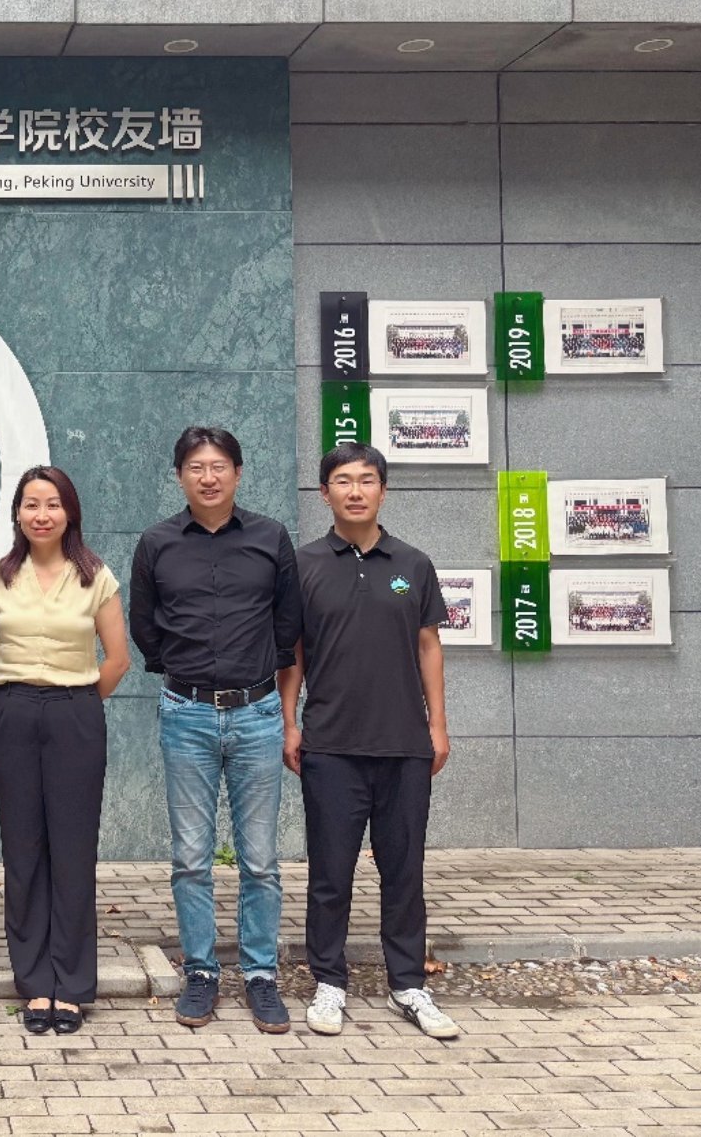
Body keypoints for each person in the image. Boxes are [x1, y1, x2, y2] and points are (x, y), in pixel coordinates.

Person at [280, 443, 459, 1040]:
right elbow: (294, 655)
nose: (355, 491)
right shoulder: (303, 565)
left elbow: (429, 645)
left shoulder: (414, 563)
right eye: (342, 481)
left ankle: (409, 984)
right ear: (324, 492)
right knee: (330, 872)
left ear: (384, 490)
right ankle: (329, 983)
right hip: (330, 744)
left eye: (366, 481)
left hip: (404, 743)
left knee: (404, 870)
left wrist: (437, 724)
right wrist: (290, 720)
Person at [129, 426, 301, 1034]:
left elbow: (288, 629)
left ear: (237, 472)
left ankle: (260, 975)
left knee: (259, 860)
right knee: (191, 858)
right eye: (197, 466)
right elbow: (143, 627)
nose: (208, 476)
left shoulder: (269, 538)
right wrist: (184, 671)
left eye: (219, 465)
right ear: (180, 476)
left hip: (256, 714)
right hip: (187, 713)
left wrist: (282, 713)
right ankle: (201, 972)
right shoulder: (156, 544)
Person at [0, 467, 128, 1036]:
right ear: (17, 513)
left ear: (70, 513)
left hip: (76, 715)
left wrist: (76, 698)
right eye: (32, 504)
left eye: (53, 504)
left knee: (73, 846)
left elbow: (117, 658)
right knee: (23, 847)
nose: (42, 514)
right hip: (12, 713)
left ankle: (73, 983)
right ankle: (35, 983)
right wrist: (14, 688)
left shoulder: (96, 576)